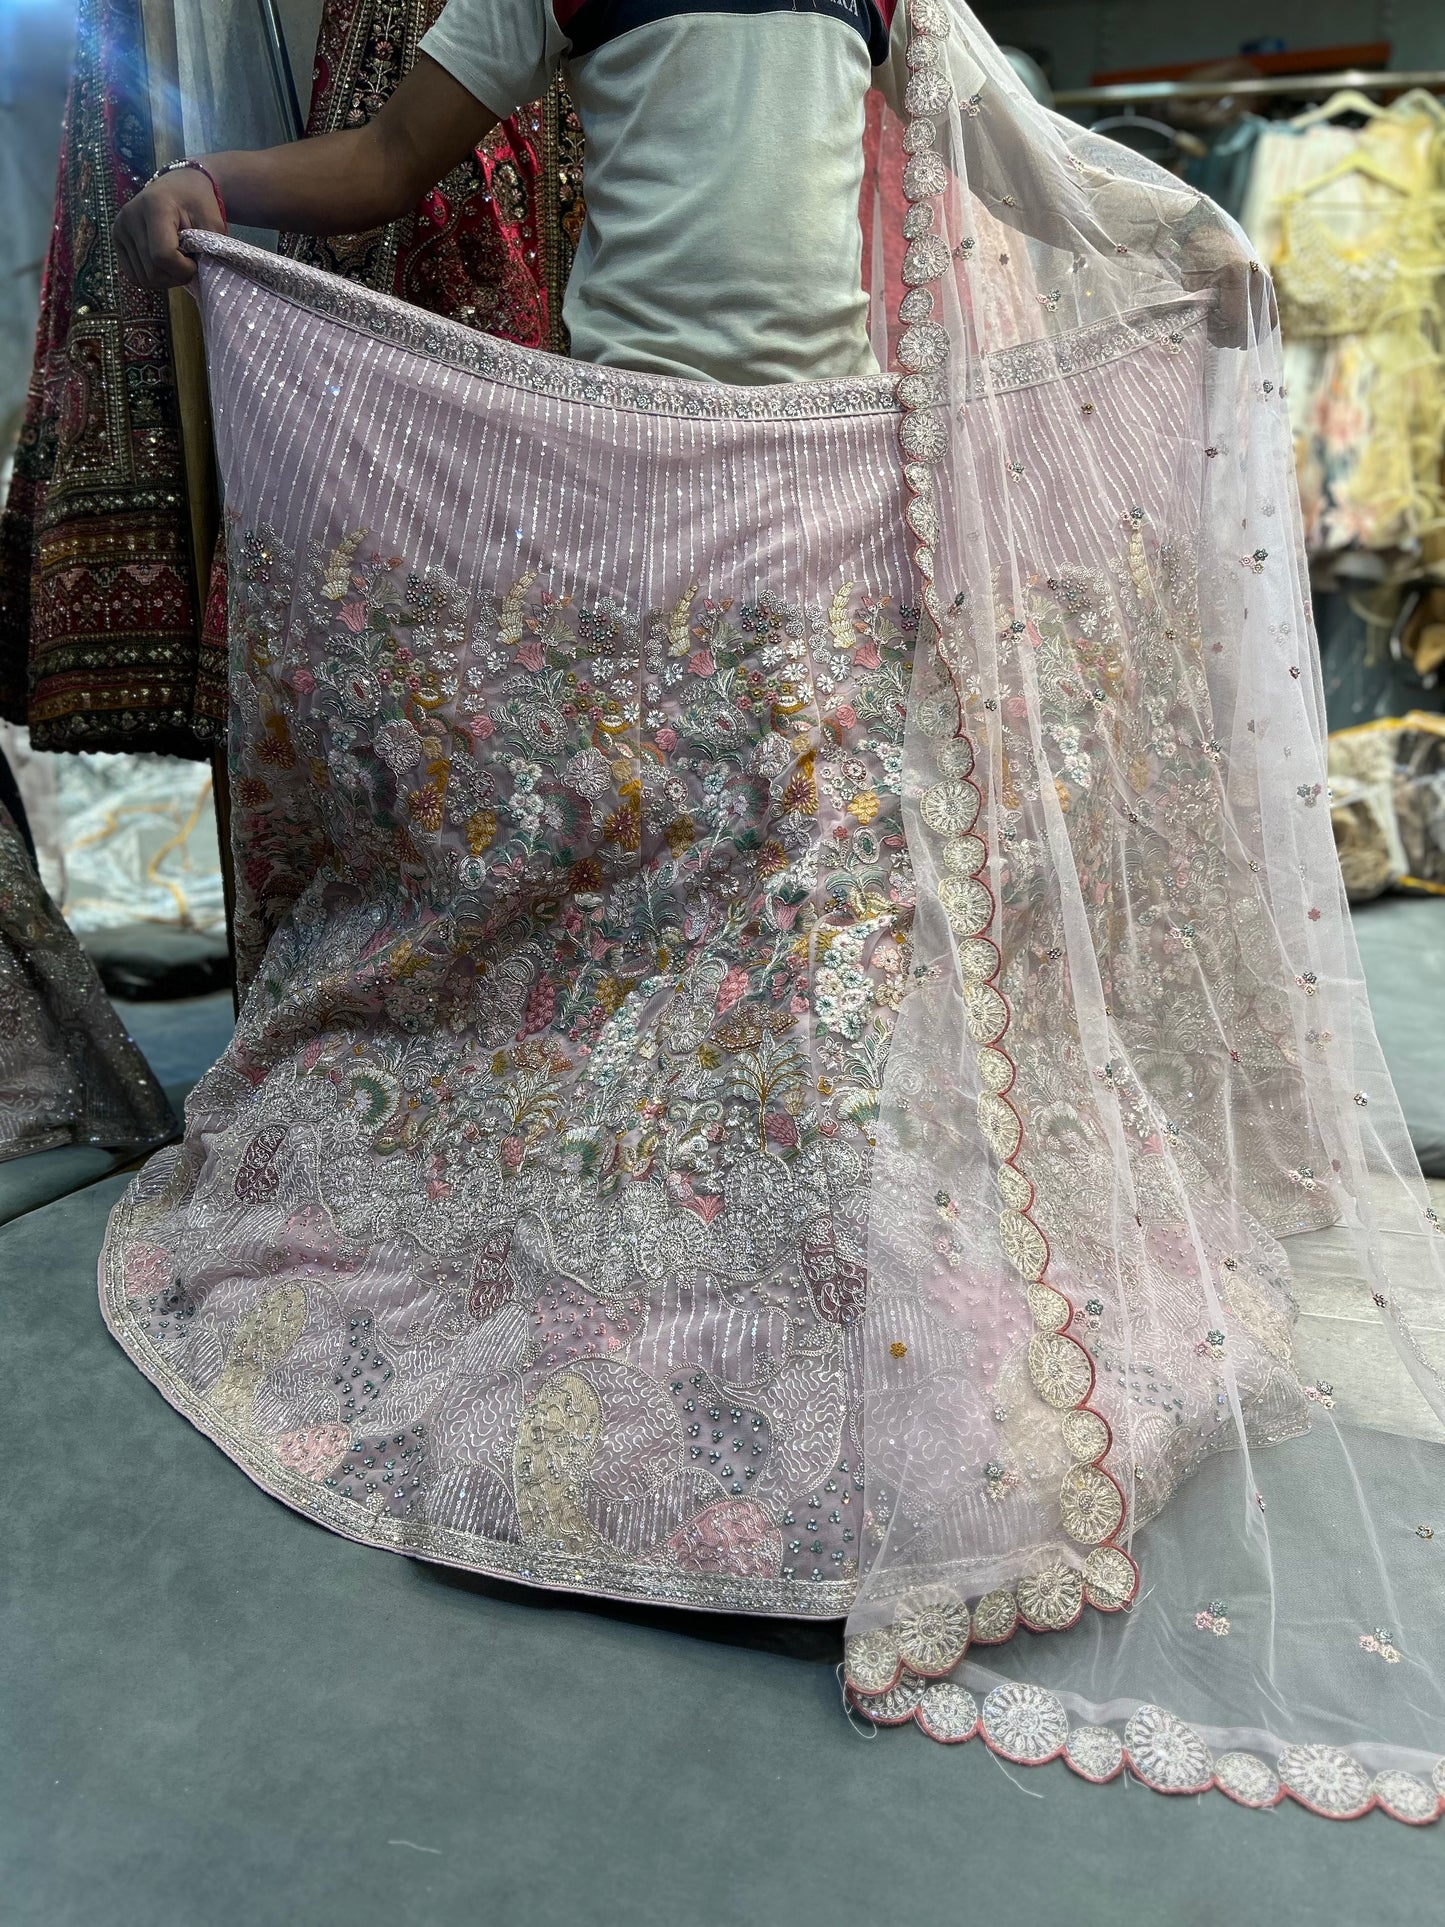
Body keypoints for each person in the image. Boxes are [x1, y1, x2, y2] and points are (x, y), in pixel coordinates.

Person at [102, 0, 1445, 1822]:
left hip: (831, 500)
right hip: (635, 503)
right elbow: (392, 158)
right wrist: (215, 184)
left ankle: (854, 1317)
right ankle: (653, 1263)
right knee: (649, 944)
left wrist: (1193, 246)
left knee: (833, 959)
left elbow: (1010, 151)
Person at [116, 0, 910, 386]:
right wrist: (204, 180)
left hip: (834, 443)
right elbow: (388, 157)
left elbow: (977, 129)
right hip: (638, 438)